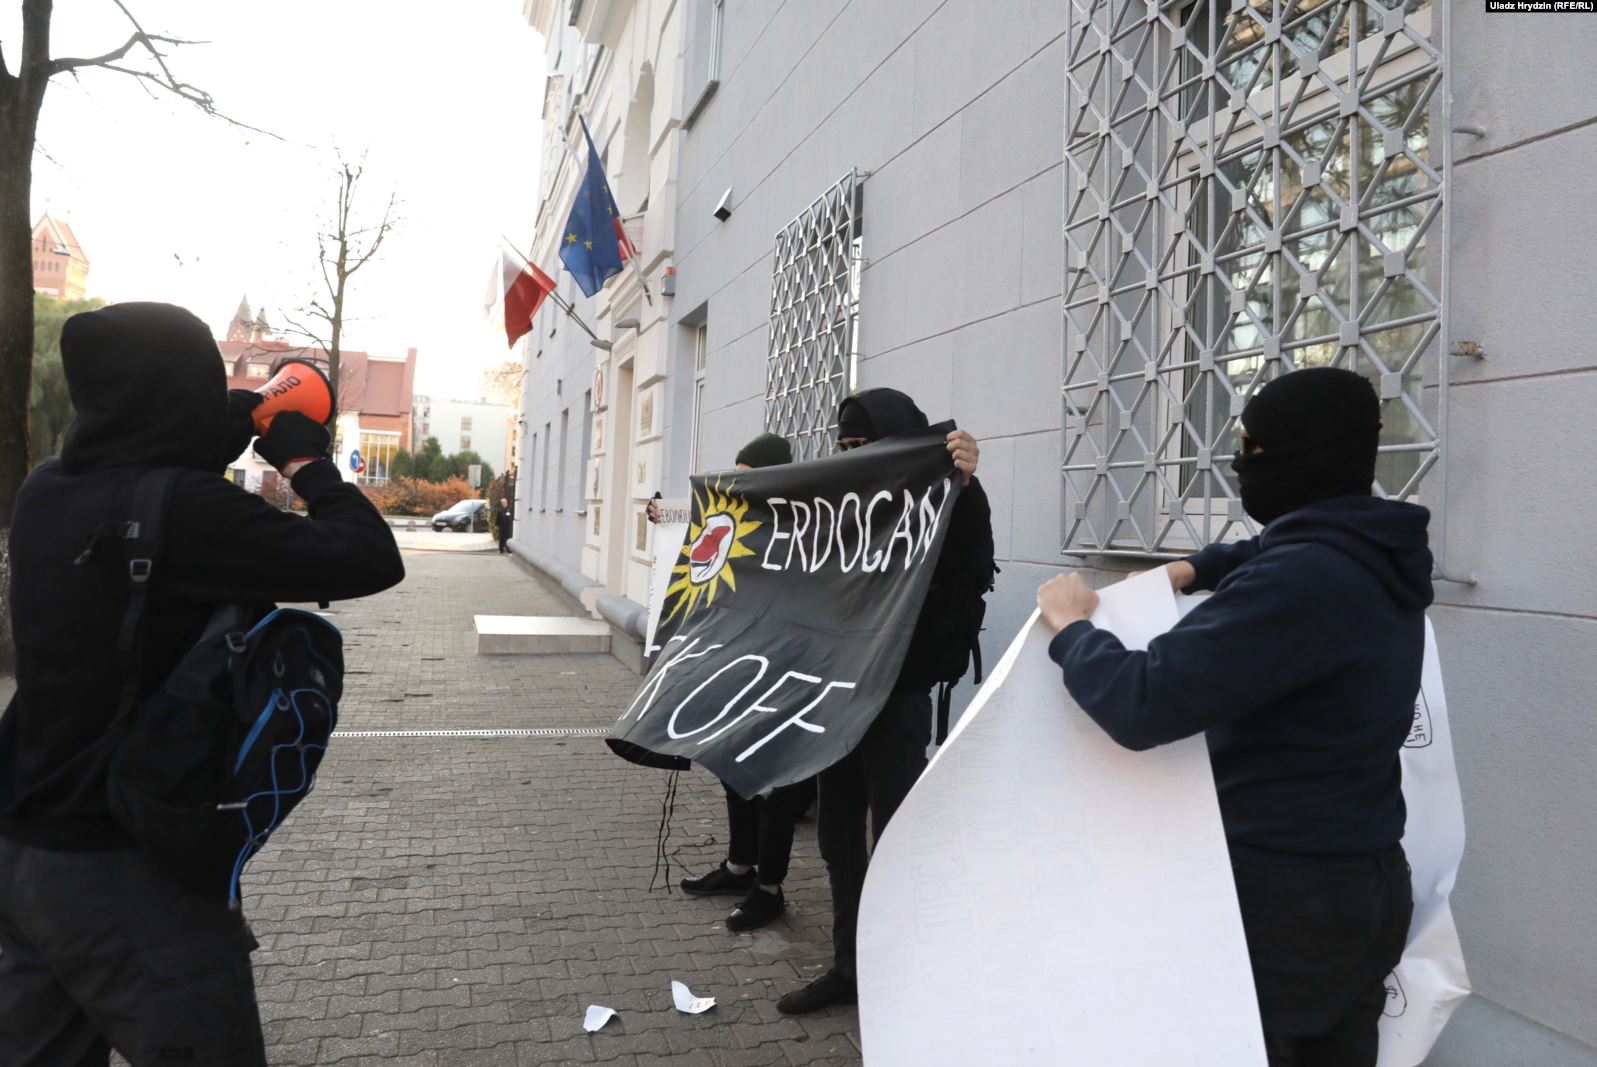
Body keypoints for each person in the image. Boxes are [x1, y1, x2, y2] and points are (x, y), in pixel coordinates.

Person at [0, 302, 405, 1067]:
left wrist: (232, 418)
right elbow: (365, 554)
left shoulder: (46, 491)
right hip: (132, 875)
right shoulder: (187, 513)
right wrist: (302, 458)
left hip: (26, 851)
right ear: (179, 389)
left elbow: (148, 456)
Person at [1035, 367, 1427, 1067]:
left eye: (1251, 448)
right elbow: (1279, 550)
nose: (1240, 463)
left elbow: (1143, 702)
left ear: (1298, 455)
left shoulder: (1299, 581)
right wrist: (1194, 566)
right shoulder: (1374, 552)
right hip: (1363, 883)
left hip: (1283, 902)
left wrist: (1071, 630)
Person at [777, 389, 992, 1015]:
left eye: (864, 446)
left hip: (896, 698)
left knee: (897, 836)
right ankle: (851, 966)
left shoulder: (945, 494)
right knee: (839, 836)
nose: (853, 457)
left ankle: (908, 970)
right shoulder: (840, 508)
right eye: (843, 448)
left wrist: (964, 479)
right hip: (837, 696)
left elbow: (971, 560)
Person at [650, 432, 817, 931]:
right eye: (737, 472)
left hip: (785, 670)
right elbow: (705, 515)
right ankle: (739, 867)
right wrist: (668, 513)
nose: (738, 482)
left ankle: (769, 889)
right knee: (733, 770)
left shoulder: (803, 522)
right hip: (740, 664)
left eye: (748, 474)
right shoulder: (742, 512)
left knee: (773, 786)